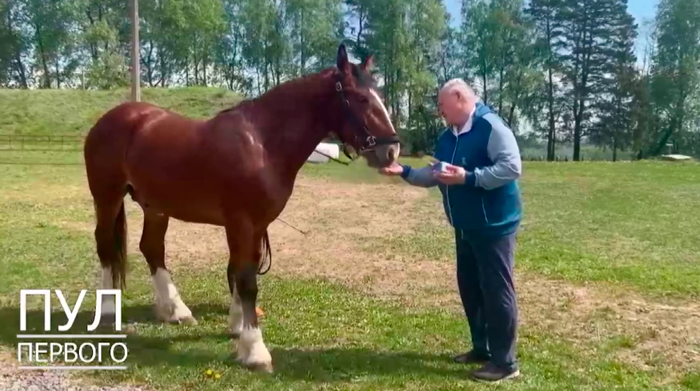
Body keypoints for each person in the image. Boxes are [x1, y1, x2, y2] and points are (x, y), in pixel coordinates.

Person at [380, 78, 522, 382]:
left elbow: (511, 167)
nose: (440, 112)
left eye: (443, 106)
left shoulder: (490, 126)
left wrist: (469, 178)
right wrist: (403, 171)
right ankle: (481, 349)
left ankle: (506, 363)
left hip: (494, 225)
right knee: (471, 289)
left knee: (497, 292)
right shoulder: (448, 137)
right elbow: (436, 173)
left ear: (459, 98)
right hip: (464, 226)